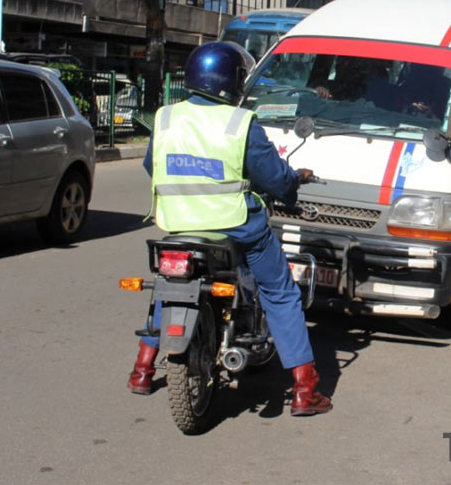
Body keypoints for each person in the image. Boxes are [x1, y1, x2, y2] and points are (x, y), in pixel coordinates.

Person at [127, 41, 333, 416]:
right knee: (280, 292)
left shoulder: (166, 117)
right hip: (236, 227)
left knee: (168, 287)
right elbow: (274, 178)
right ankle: (305, 389)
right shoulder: (241, 123)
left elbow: (150, 166)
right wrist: (291, 185)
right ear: (233, 80)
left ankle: (142, 370)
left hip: (177, 224)